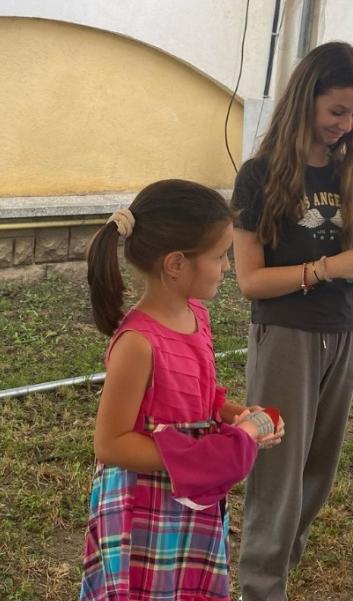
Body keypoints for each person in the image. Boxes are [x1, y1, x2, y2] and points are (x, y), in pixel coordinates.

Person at [232, 41, 353, 600]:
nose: (347, 125)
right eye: (337, 111)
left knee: (317, 473)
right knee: (277, 471)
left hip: (345, 332)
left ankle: (278, 569)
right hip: (286, 336)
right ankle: (260, 587)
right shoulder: (259, 176)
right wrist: (326, 268)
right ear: (306, 100)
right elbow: (250, 281)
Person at [79, 179, 283, 600]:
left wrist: (239, 417)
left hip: (191, 498)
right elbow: (110, 443)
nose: (227, 266)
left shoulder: (197, 315)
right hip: (144, 508)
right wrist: (197, 456)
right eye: (219, 256)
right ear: (176, 264)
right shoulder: (138, 343)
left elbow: (201, 400)